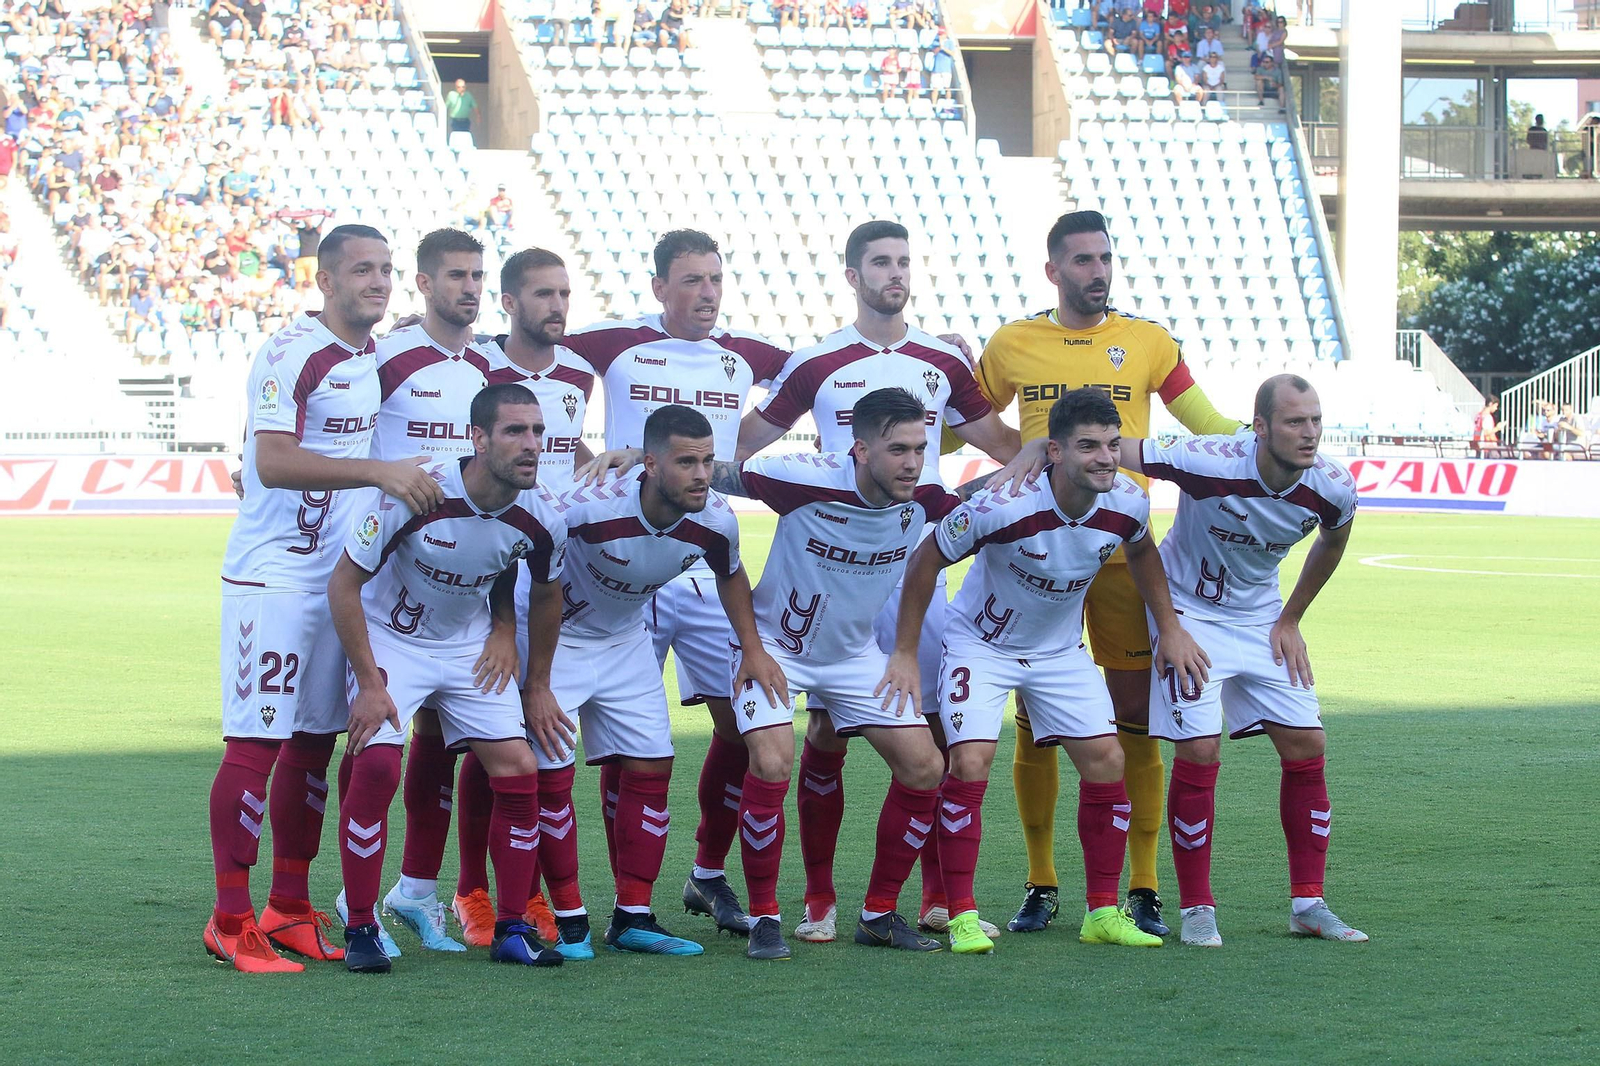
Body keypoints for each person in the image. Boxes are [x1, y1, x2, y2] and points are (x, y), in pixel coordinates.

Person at [731, 220, 1021, 943]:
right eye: (881, 262)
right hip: (818, 566)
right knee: (815, 739)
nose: (895, 273)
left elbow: (1003, 455)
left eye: (904, 261)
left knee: (926, 745)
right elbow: (738, 454)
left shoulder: (942, 364)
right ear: (853, 275)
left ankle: (910, 902)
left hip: (908, 567)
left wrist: (1049, 454)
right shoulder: (818, 364)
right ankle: (811, 902)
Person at [968, 209, 1241, 938]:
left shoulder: (1147, 342)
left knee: (1134, 724)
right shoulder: (1012, 343)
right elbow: (968, 415)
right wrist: (1013, 457)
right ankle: (1041, 880)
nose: (1098, 272)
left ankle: (1144, 885)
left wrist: (1263, 440)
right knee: (1034, 721)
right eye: (1082, 261)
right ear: (1053, 269)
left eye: (1105, 259)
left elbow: (1204, 420)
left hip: (1122, 555)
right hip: (1031, 558)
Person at [630, 389, 977, 959]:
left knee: (924, 766)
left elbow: (974, 498)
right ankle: (766, 916)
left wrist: (1032, 454)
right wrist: (627, 455)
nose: (912, 463)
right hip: (772, 648)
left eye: (920, 448)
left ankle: (879, 914)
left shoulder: (927, 498)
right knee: (770, 759)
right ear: (861, 451)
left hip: (852, 655)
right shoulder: (800, 479)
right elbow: (714, 475)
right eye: (898, 450)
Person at [882, 388, 1210, 952]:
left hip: (1058, 652)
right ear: (1054, 452)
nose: (1105, 457)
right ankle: (959, 913)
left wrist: (1171, 628)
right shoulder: (1003, 504)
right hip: (981, 645)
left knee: (1108, 760)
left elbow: (1142, 551)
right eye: (1088, 446)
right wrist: (906, 652)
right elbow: (926, 558)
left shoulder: (1127, 501)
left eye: (1111, 444)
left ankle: (1101, 912)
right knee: (970, 759)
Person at [204, 225, 446, 973]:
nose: (377, 281)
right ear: (325, 281)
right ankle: (229, 918)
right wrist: (378, 471)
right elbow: (272, 462)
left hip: (336, 584)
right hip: (272, 578)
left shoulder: (374, 352)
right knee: (257, 745)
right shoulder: (289, 351)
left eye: (386, 269)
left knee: (313, 747)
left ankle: (288, 906)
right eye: (361, 271)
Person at [563, 230, 790, 939]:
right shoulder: (616, 342)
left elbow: (812, 378)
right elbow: (528, 359)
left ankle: (707, 873)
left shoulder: (744, 354)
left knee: (736, 722)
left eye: (716, 279)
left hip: (700, 559)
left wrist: (740, 449)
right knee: (624, 737)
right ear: (660, 286)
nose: (707, 293)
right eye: (691, 281)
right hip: (617, 559)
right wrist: (588, 453)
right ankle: (629, 897)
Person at [327, 383, 570, 972]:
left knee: (520, 768)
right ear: (478, 437)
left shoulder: (543, 517)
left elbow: (543, 590)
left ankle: (511, 926)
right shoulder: (418, 492)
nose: (531, 445)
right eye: (515, 431)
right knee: (381, 761)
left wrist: (531, 674)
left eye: (538, 432)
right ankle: (360, 922)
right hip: (391, 640)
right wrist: (370, 682)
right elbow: (343, 586)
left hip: (466, 647)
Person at [1120, 374, 1368, 948]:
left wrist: (1291, 619)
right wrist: (1170, 627)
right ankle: (1198, 911)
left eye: (1315, 421)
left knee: (1308, 745)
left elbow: (1334, 540)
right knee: (1201, 749)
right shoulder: (1204, 459)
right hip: (1188, 614)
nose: (1310, 434)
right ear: (1260, 428)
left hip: (1262, 619)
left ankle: (1309, 903)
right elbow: (1116, 448)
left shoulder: (1332, 486)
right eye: (1294, 423)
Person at [528, 404, 777, 958]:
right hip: (555, 638)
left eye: (709, 461)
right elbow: (523, 563)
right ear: (649, 464)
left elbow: (731, 574)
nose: (702, 474)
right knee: (547, 772)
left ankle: (633, 917)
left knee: (652, 764)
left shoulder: (715, 518)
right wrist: (533, 678)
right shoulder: (583, 507)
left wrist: (754, 652)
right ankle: (569, 918)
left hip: (625, 639)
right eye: (686, 462)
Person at [360, 228, 498, 955]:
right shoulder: (388, 357)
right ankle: (330, 902)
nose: (469, 287)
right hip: (381, 573)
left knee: (445, 742)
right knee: (353, 743)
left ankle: (417, 890)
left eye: (478, 275)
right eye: (455, 276)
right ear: (423, 282)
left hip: (463, 583)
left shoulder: (490, 364)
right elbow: (337, 426)